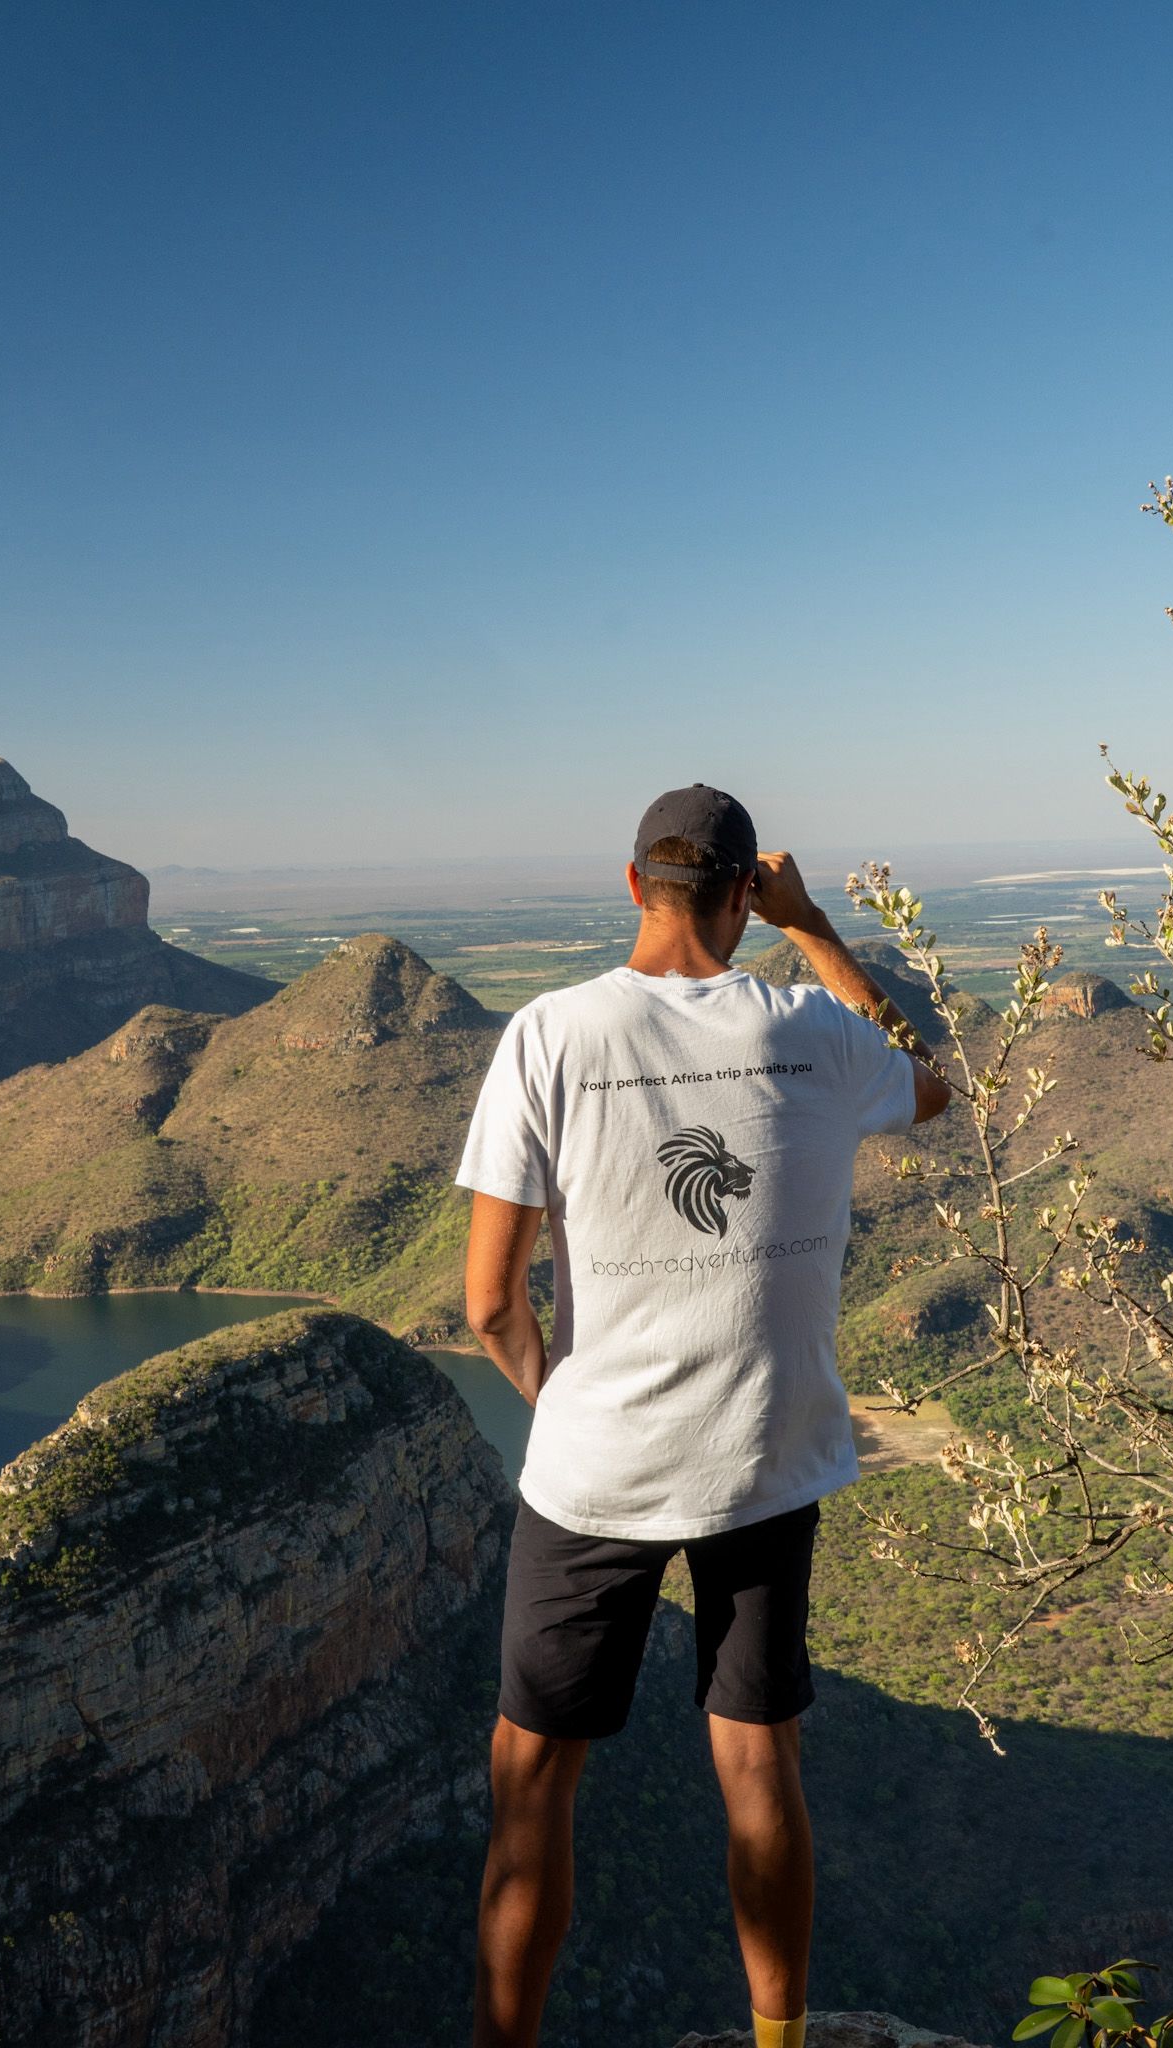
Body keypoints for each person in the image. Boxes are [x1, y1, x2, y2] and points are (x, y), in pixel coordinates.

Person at [455, 783, 952, 2048]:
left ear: (632, 887)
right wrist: (818, 927)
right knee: (759, 1763)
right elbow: (929, 1084)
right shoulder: (814, 1031)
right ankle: (778, 2038)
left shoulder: (550, 1035)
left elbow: (487, 1301)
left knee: (532, 1788)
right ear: (746, 895)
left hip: (591, 1476)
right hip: (763, 1465)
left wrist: (560, 1401)